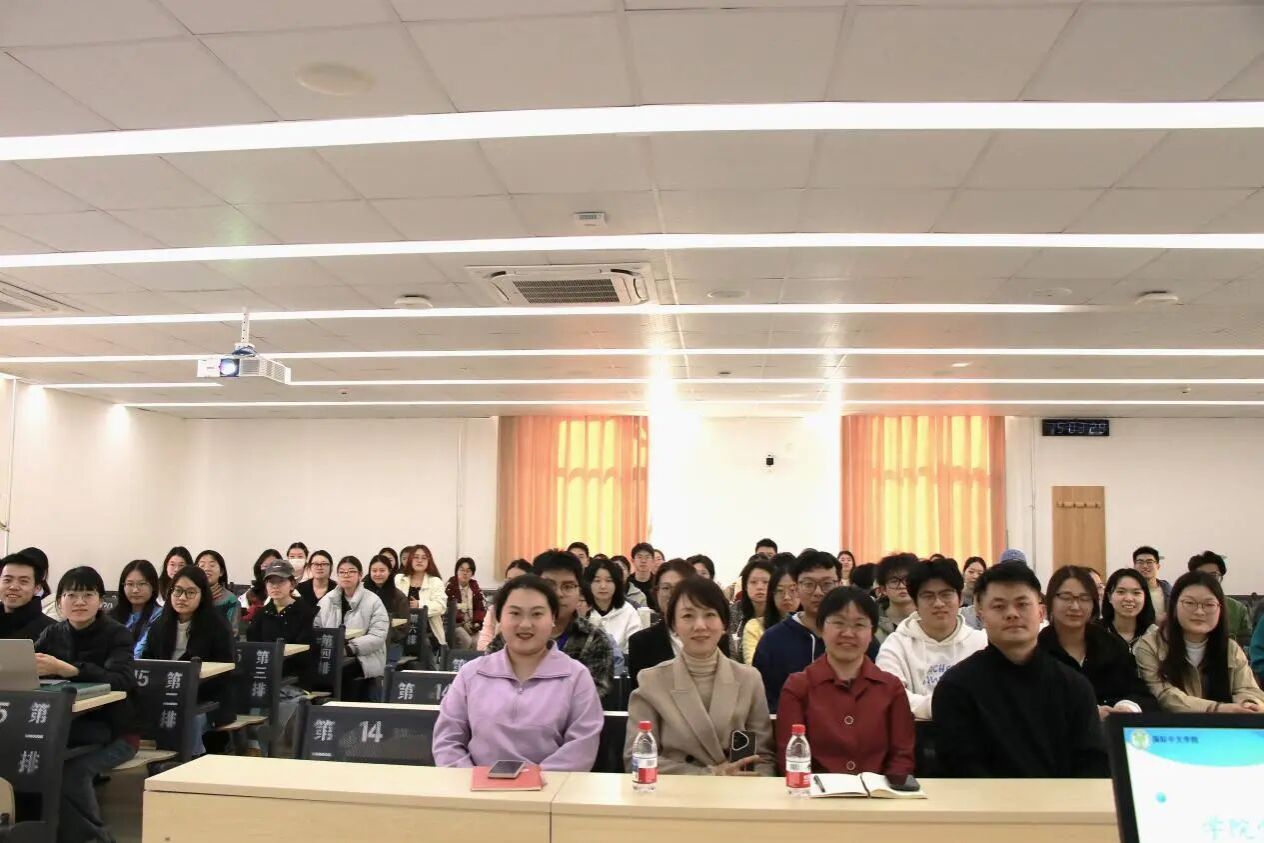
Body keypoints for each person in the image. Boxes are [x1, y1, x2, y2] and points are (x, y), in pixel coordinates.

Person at [932, 561, 1108, 778]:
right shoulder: (956, 687)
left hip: (1063, 799)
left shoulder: (1074, 686)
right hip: (985, 798)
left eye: (1022, 604)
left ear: (1041, 612)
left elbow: (1092, 764)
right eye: (999, 606)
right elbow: (960, 768)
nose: (1012, 614)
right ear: (981, 615)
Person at [433, 574, 603, 770]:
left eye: (537, 614)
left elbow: (581, 748)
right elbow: (447, 740)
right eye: (515, 613)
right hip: (474, 786)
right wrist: (472, 780)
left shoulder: (576, 677)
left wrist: (536, 780)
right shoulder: (471, 674)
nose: (525, 624)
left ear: (553, 618)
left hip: (552, 787)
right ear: (499, 618)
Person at [626, 577, 774, 776]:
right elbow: (636, 759)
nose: (700, 625)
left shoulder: (749, 679)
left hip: (735, 791)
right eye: (688, 616)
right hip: (673, 792)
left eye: (710, 614)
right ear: (673, 625)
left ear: (724, 624)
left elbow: (763, 758)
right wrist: (710, 775)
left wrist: (751, 783)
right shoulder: (651, 681)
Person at [34, 566, 137, 843]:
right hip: (66, 730)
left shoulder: (117, 634)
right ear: (59, 602)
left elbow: (121, 680)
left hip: (116, 733)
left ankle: (96, 838)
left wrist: (71, 670)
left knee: (72, 772)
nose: (79, 602)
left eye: (88, 595)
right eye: (71, 595)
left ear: (100, 600)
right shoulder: (52, 634)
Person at [777, 587, 915, 778]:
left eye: (859, 625)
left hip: (877, 793)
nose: (848, 633)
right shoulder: (798, 686)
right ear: (821, 628)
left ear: (872, 632)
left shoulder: (891, 688)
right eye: (838, 623)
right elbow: (791, 758)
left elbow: (902, 756)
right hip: (815, 793)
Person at [485, 551, 615, 699]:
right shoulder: (512, 634)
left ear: (580, 591)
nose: (558, 594)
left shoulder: (596, 640)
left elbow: (591, 697)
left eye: (568, 586)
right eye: (549, 585)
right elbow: (488, 686)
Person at [1133, 570, 1264, 713]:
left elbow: (1248, 689)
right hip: (1171, 725)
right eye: (1190, 603)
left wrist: (1249, 704)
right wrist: (1219, 709)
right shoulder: (1150, 646)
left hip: (1226, 725)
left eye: (1209, 604)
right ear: (1174, 606)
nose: (1199, 612)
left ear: (1220, 609)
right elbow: (1164, 695)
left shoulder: (1230, 648)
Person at [1038, 566, 1157, 718]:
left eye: (1084, 598)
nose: (1075, 606)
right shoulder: (1037, 649)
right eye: (1066, 597)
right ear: (1050, 601)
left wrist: (1125, 707)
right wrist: (1087, 713)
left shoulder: (1112, 646)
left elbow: (1142, 696)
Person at [875, 559, 986, 720]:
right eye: (928, 596)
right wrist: (949, 706)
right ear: (915, 603)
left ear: (960, 598)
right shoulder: (895, 645)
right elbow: (890, 694)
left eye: (946, 594)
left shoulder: (981, 643)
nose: (938, 603)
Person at [142, 565, 239, 744]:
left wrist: (186, 689)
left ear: (203, 595)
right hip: (165, 694)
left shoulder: (217, 625)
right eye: (177, 591)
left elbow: (225, 671)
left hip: (207, 699)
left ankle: (190, 758)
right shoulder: (160, 625)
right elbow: (148, 661)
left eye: (190, 592)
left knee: (187, 720)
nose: (182, 598)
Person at [753, 550, 845, 713]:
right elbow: (762, 699)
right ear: (797, 587)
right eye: (808, 584)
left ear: (840, 585)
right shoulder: (773, 640)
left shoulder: (853, 636)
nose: (818, 592)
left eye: (827, 584)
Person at [628, 560, 721, 690]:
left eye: (679, 588)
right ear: (656, 592)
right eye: (666, 588)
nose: (672, 594)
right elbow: (642, 693)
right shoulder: (641, 642)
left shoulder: (712, 634)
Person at [316, 556, 390, 699]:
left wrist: (349, 649)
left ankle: (342, 708)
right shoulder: (327, 600)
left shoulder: (373, 601)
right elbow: (316, 627)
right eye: (342, 572)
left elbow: (378, 635)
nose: (346, 575)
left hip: (365, 656)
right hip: (332, 653)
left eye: (351, 571)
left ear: (360, 575)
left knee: (342, 671)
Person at [247, 559, 315, 670]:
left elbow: (305, 652)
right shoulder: (261, 614)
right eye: (271, 582)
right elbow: (252, 645)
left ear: (292, 584)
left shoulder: (304, 612)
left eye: (281, 581)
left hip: (293, 671)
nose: (275, 586)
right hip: (264, 667)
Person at [742, 560, 798, 666]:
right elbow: (754, 665)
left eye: (793, 590)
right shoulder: (755, 626)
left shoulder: (811, 624)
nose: (787, 596)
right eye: (780, 590)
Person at [1187, 551, 1252, 642]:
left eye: (1213, 575)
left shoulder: (1238, 609)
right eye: (1201, 575)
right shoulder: (1182, 607)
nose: (1208, 580)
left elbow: (1246, 642)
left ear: (1221, 578)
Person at [584, 556, 643, 655]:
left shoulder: (628, 612)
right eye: (597, 580)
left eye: (609, 580)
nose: (603, 586)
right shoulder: (581, 610)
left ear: (617, 584)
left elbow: (634, 650)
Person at [394, 545, 447, 650]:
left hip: (427, 631)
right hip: (401, 629)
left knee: (423, 644)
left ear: (429, 561)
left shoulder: (435, 581)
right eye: (416, 557)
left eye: (424, 558)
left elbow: (441, 606)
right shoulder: (399, 579)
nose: (419, 560)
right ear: (410, 559)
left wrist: (420, 605)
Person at [109, 559, 163, 659]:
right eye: (130, 584)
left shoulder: (159, 615)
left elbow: (138, 653)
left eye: (142, 584)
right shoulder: (111, 616)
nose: (135, 590)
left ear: (153, 586)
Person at [478, 558, 533, 650]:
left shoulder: (537, 612)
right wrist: (498, 639)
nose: (513, 586)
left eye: (519, 581)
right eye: (509, 581)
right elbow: (482, 646)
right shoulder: (494, 610)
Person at [0, 551, 55, 640]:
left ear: (37, 588)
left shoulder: (53, 631)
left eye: (23, 581)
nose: (13, 587)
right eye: (7, 580)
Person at [1100, 568, 1158, 652]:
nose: (1129, 599)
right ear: (1109, 597)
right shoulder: (1096, 632)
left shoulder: (1155, 634)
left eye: (1136, 593)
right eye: (1121, 592)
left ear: (1145, 597)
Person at [730, 556, 774, 662]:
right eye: (753, 582)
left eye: (765, 582)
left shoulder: (782, 613)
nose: (760, 587)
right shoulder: (733, 612)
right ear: (745, 586)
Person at [365, 554, 410, 657]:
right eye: (374, 571)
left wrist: (381, 634)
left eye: (382, 570)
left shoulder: (398, 596)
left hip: (391, 643)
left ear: (389, 572)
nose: (378, 574)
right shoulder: (363, 593)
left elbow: (403, 626)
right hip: (364, 641)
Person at [875, 553, 918, 642]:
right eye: (894, 581)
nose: (902, 586)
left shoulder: (928, 619)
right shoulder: (873, 622)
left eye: (907, 580)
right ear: (883, 589)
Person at [446, 557, 486, 650]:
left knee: (478, 641)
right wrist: (462, 623)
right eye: (462, 570)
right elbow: (449, 609)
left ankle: (473, 660)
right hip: (456, 624)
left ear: (472, 573)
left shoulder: (475, 588)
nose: (465, 573)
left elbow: (480, 608)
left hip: (472, 625)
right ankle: (459, 659)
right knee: (466, 640)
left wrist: (477, 622)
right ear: (456, 571)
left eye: (468, 571)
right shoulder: (450, 587)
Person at [195, 549, 240, 630]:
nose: (206, 569)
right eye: (202, 565)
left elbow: (231, 633)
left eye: (212, 565)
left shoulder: (230, 600)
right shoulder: (188, 595)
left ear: (221, 572)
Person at [242, 548, 281, 623]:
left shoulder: (290, 591)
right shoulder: (251, 593)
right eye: (265, 566)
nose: (269, 570)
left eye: (273, 566)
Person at [1133, 545, 1170, 620]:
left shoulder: (1168, 590)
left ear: (1158, 566)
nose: (1145, 566)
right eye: (1140, 562)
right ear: (1134, 566)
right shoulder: (1130, 592)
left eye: (1149, 562)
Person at [628, 542, 658, 610]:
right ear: (632, 560)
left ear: (653, 560)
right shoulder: (627, 583)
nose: (643, 561)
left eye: (647, 557)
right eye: (640, 557)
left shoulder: (658, 582)